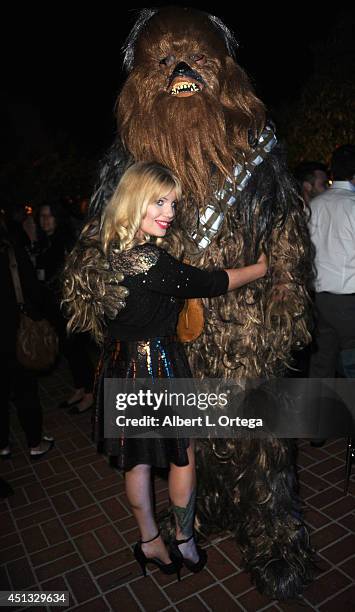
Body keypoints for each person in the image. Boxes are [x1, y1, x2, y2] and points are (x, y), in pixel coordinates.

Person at [74, 8, 315, 598]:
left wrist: (284, 289)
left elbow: (286, 230)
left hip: (246, 329)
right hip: (166, 343)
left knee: (260, 438)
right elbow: (93, 253)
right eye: (163, 62)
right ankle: (195, 518)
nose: (181, 70)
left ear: (226, 72)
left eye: (198, 59)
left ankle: (272, 532)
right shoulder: (124, 164)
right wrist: (100, 286)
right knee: (189, 443)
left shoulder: (258, 152)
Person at [63, 162, 268, 579]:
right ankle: (185, 541)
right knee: (182, 455)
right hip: (156, 364)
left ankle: (149, 542)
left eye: (173, 203)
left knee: (135, 462)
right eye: (159, 201)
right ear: (135, 199)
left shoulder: (103, 249)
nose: (169, 212)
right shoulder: (149, 262)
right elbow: (209, 282)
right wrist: (261, 269)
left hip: (119, 365)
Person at [308, 145, 355, 446]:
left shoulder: (315, 204)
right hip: (349, 299)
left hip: (319, 298)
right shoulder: (352, 205)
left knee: (322, 363)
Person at [0, 214, 54, 459]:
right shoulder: (11, 252)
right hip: (14, 333)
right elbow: (33, 290)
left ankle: (3, 444)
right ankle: (35, 441)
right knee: (25, 389)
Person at [36, 202, 94, 412]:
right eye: (42, 216)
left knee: (78, 350)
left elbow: (75, 274)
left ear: (57, 218)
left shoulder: (66, 240)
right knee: (69, 351)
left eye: (49, 216)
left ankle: (90, 392)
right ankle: (80, 388)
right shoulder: (45, 241)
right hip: (55, 308)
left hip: (71, 307)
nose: (45, 220)